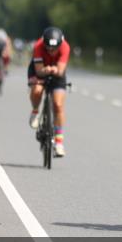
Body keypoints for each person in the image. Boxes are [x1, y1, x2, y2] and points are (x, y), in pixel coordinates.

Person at [28, 26, 70, 157]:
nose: (51, 51)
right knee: (37, 90)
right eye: (48, 48)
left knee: (58, 104)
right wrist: (45, 71)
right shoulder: (38, 46)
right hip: (40, 70)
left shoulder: (65, 47)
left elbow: (60, 70)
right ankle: (35, 111)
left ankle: (59, 142)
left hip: (57, 73)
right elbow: (39, 70)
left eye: (54, 49)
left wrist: (54, 70)